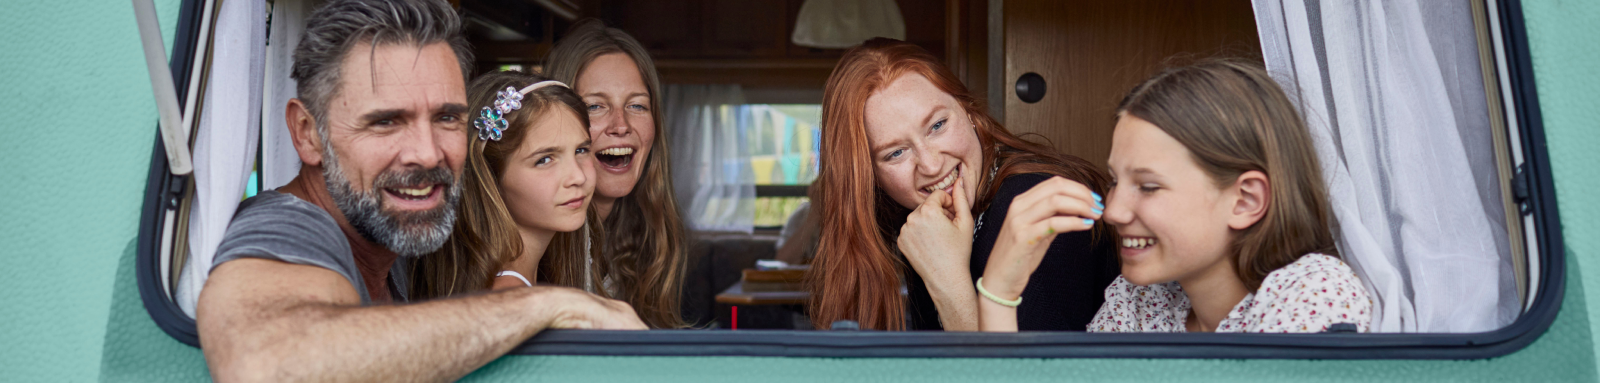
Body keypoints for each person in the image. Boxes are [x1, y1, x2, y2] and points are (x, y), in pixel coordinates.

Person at [195, 1, 644, 381]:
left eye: (447, 118)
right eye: (387, 121)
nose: (428, 154)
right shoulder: (288, 227)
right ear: (308, 133)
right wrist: (548, 305)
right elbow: (265, 362)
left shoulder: (396, 241)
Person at [978, 60, 1372, 333]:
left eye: (1148, 186)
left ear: (1246, 200)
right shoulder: (1140, 301)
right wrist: (999, 293)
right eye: (1115, 181)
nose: (1112, 211)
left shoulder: (1312, 294)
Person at [809, 38, 1119, 331]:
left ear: (968, 112)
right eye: (896, 153)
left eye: (938, 125)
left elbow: (1024, 375)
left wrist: (949, 282)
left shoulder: (1031, 203)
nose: (931, 165)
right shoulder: (924, 221)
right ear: (869, 175)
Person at [409, 71, 608, 299]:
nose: (578, 177)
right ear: (491, 177)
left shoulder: (523, 282)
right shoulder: (511, 298)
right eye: (544, 160)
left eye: (581, 150)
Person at [543, 19, 689, 329]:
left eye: (637, 106)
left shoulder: (645, 229)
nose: (621, 125)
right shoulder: (537, 238)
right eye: (595, 106)